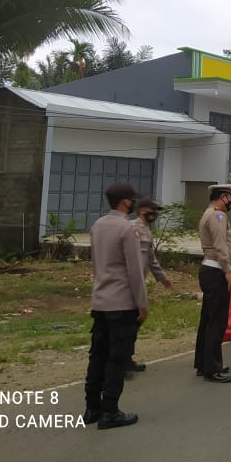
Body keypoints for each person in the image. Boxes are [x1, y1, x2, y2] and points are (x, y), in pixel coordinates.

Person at [83, 181, 148, 429]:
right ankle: (110, 410)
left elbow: (96, 263)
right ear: (125, 202)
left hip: (100, 302)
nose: (134, 204)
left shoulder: (97, 225)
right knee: (117, 358)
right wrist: (142, 304)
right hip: (121, 304)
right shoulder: (127, 229)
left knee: (97, 356)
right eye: (132, 200)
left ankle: (92, 408)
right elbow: (135, 272)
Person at [193, 183, 231, 383]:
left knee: (207, 320)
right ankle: (212, 368)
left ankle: (203, 363)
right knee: (217, 322)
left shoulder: (209, 213)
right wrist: (227, 271)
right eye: (230, 196)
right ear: (223, 197)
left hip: (210, 270)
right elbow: (220, 245)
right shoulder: (218, 215)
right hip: (216, 271)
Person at [126, 197, 173, 372]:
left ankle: (126, 358)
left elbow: (151, 259)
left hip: (139, 283)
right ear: (142, 210)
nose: (155, 214)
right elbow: (133, 262)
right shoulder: (133, 229)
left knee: (134, 323)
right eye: (152, 210)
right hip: (129, 284)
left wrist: (162, 278)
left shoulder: (146, 231)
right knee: (130, 323)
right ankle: (120, 361)